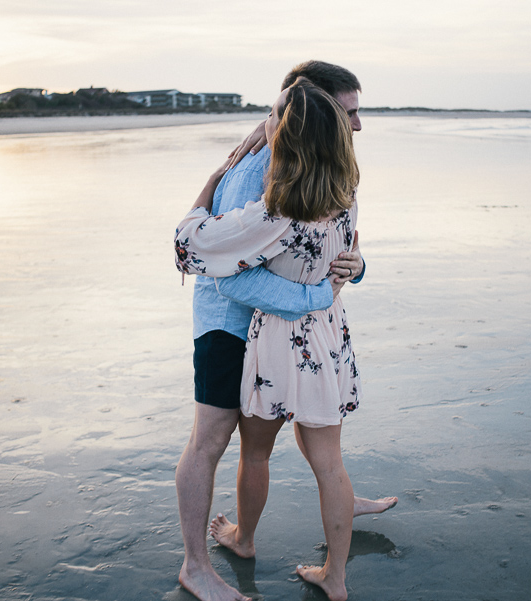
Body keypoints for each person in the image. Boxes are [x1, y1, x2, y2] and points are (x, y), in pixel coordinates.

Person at [173, 61, 395, 601]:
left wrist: (354, 266)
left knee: (264, 451)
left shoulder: (298, 189)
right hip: (245, 329)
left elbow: (195, 245)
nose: (357, 127)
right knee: (216, 440)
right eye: (349, 114)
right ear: (312, 112)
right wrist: (321, 292)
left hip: (281, 332)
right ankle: (201, 564)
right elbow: (225, 279)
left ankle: (268, 529)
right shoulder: (282, 177)